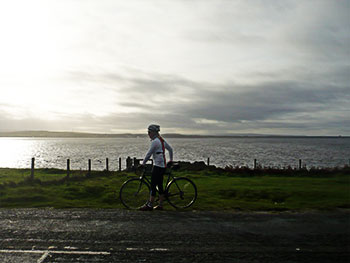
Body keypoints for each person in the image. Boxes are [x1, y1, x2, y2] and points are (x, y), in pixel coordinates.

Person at [139, 124, 173, 211]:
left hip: (158, 166)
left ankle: (150, 205)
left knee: (153, 185)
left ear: (153, 132)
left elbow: (149, 154)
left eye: (149, 132)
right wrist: (170, 160)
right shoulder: (161, 140)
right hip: (162, 165)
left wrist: (143, 163)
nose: (148, 134)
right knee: (160, 185)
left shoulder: (155, 142)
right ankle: (160, 205)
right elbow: (170, 149)